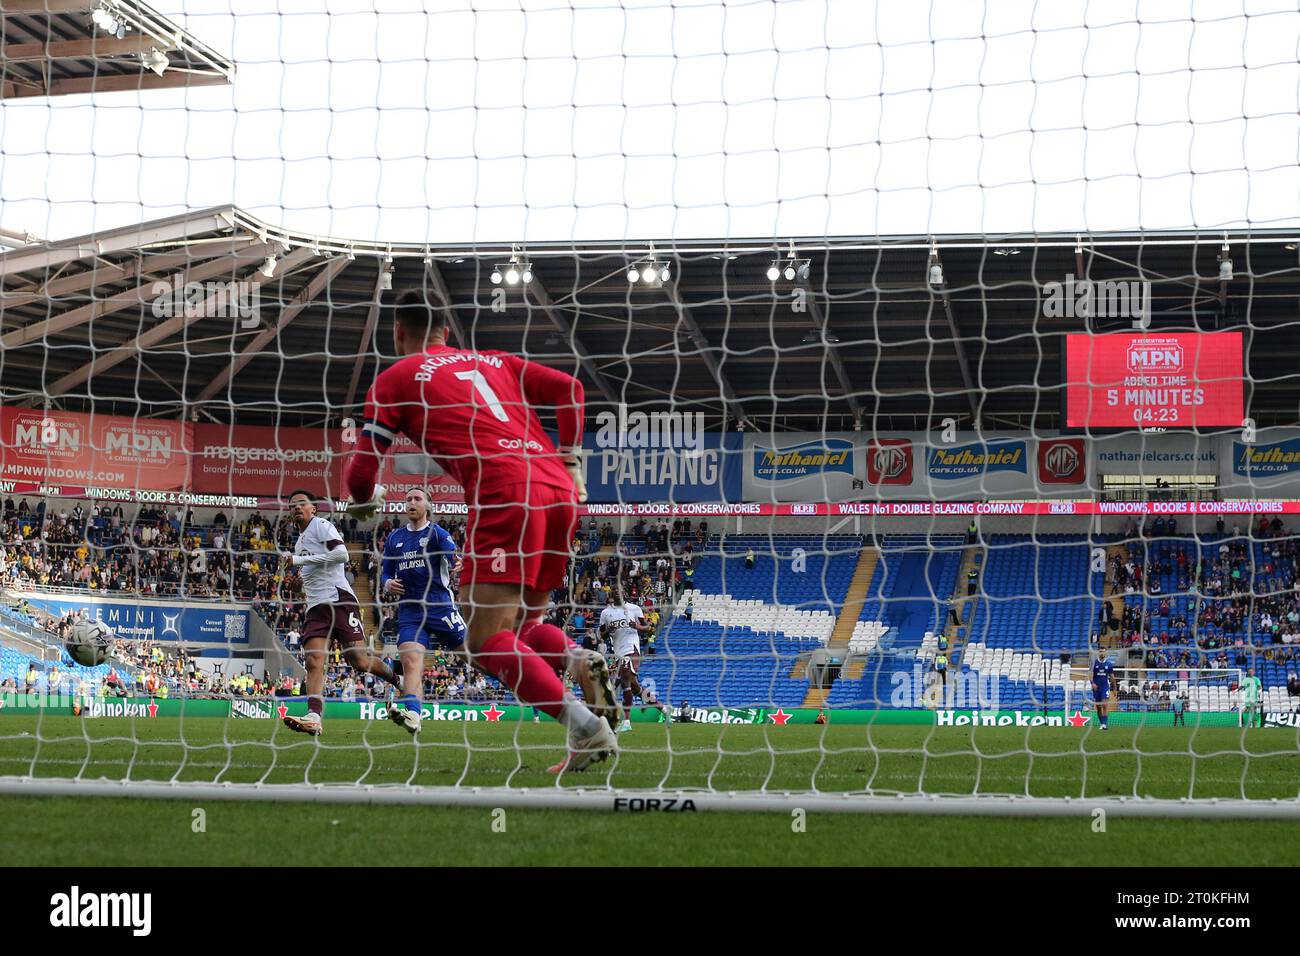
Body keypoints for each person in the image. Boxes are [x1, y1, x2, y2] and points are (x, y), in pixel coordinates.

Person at [342, 288, 617, 772]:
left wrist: (366, 504)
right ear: (446, 332)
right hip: (556, 487)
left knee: (483, 642)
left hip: (504, 490)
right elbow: (571, 390)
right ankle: (575, 659)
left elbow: (360, 477)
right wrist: (572, 462)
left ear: (397, 332)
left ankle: (586, 726)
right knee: (522, 627)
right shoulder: (493, 359)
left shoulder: (396, 378)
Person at [278, 490, 402, 736]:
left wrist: (298, 562)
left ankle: (398, 680)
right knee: (313, 661)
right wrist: (298, 584)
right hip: (315, 607)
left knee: (359, 660)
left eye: (301, 503)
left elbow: (342, 555)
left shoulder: (321, 526)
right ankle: (314, 717)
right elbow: (312, 571)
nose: (296, 508)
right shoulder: (300, 542)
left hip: (339, 600)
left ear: (314, 508)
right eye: (292, 506)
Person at [379, 488, 467, 735]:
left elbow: (453, 556)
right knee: (410, 661)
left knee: (473, 656)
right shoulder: (395, 538)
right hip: (409, 611)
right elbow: (386, 572)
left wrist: (456, 561)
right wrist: (387, 583)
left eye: (417, 498)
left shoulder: (438, 534)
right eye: (408, 499)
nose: (412, 502)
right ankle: (414, 715)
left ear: (428, 505)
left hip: (440, 607)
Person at [600, 589, 669, 732]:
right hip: (618, 652)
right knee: (636, 688)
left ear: (624, 594)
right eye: (616, 593)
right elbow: (601, 635)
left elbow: (649, 628)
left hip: (632, 648)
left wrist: (636, 626)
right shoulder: (605, 613)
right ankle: (663, 708)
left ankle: (626, 722)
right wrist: (608, 630)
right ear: (611, 596)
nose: (619, 594)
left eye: (621, 592)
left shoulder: (634, 608)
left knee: (624, 677)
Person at [1091, 648, 1115, 730]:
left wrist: (1114, 688)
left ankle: (1104, 724)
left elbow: (1112, 677)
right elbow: (1090, 674)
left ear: (1106, 653)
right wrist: (1092, 683)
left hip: (1104, 687)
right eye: (1100, 651)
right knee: (1098, 707)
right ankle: (1102, 723)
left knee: (1104, 705)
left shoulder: (1109, 664)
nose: (1102, 653)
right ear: (1098, 653)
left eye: (1103, 651)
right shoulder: (1094, 663)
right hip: (1096, 687)